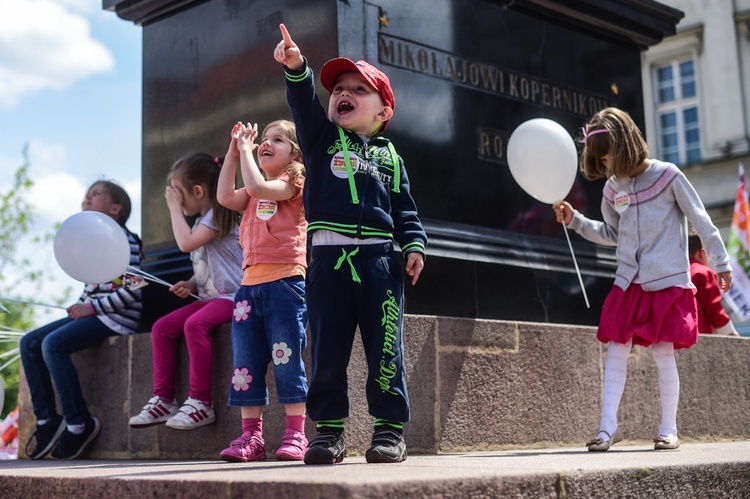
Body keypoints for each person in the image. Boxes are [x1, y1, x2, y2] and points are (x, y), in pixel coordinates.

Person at [274, 23, 427, 465]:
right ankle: (329, 433)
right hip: (327, 261)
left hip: (380, 261)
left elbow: (406, 209)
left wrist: (413, 245)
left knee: (385, 347)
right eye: (340, 88)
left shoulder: (391, 157)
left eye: (360, 89)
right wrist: (298, 68)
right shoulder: (322, 139)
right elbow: (302, 102)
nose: (345, 93)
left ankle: (389, 430)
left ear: (383, 111)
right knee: (326, 349)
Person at [553, 107, 732, 452]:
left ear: (624, 145)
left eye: (607, 157)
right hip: (628, 283)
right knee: (616, 349)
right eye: (599, 160)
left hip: (667, 281)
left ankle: (669, 428)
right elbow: (610, 232)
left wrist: (721, 262)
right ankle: (608, 428)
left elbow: (700, 219)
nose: (605, 165)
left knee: (664, 352)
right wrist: (575, 220)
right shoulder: (611, 189)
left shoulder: (669, 176)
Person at [20, 180, 142, 460]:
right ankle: (47, 421)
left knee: (53, 344)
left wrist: (92, 309)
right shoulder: (92, 244)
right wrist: (82, 304)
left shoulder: (125, 241)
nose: (87, 198)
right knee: (30, 342)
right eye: (86, 195)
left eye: (95, 194)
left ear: (115, 209)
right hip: (96, 312)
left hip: (116, 318)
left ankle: (78, 422)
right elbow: (92, 289)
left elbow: (133, 293)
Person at [216, 119, 309, 462]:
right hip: (248, 289)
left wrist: (245, 151)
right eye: (263, 139)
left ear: (295, 154)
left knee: (286, 360)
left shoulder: (293, 179)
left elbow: (256, 186)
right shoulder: (256, 190)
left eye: (278, 140)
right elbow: (225, 196)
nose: (265, 143)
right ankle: (251, 438)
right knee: (245, 365)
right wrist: (232, 151)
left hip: (285, 285)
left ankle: (296, 434)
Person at [129, 153, 243, 430]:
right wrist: (192, 283)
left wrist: (172, 208)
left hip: (237, 297)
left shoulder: (217, 215)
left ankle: (201, 402)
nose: (175, 200)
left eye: (179, 194)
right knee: (162, 328)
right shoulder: (205, 219)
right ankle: (165, 399)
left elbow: (186, 244)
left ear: (198, 191)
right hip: (212, 298)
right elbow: (213, 260)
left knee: (195, 324)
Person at [688, 231, 740, 336]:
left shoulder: (675, 274)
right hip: (699, 336)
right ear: (701, 252)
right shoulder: (702, 273)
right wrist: (730, 333)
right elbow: (714, 309)